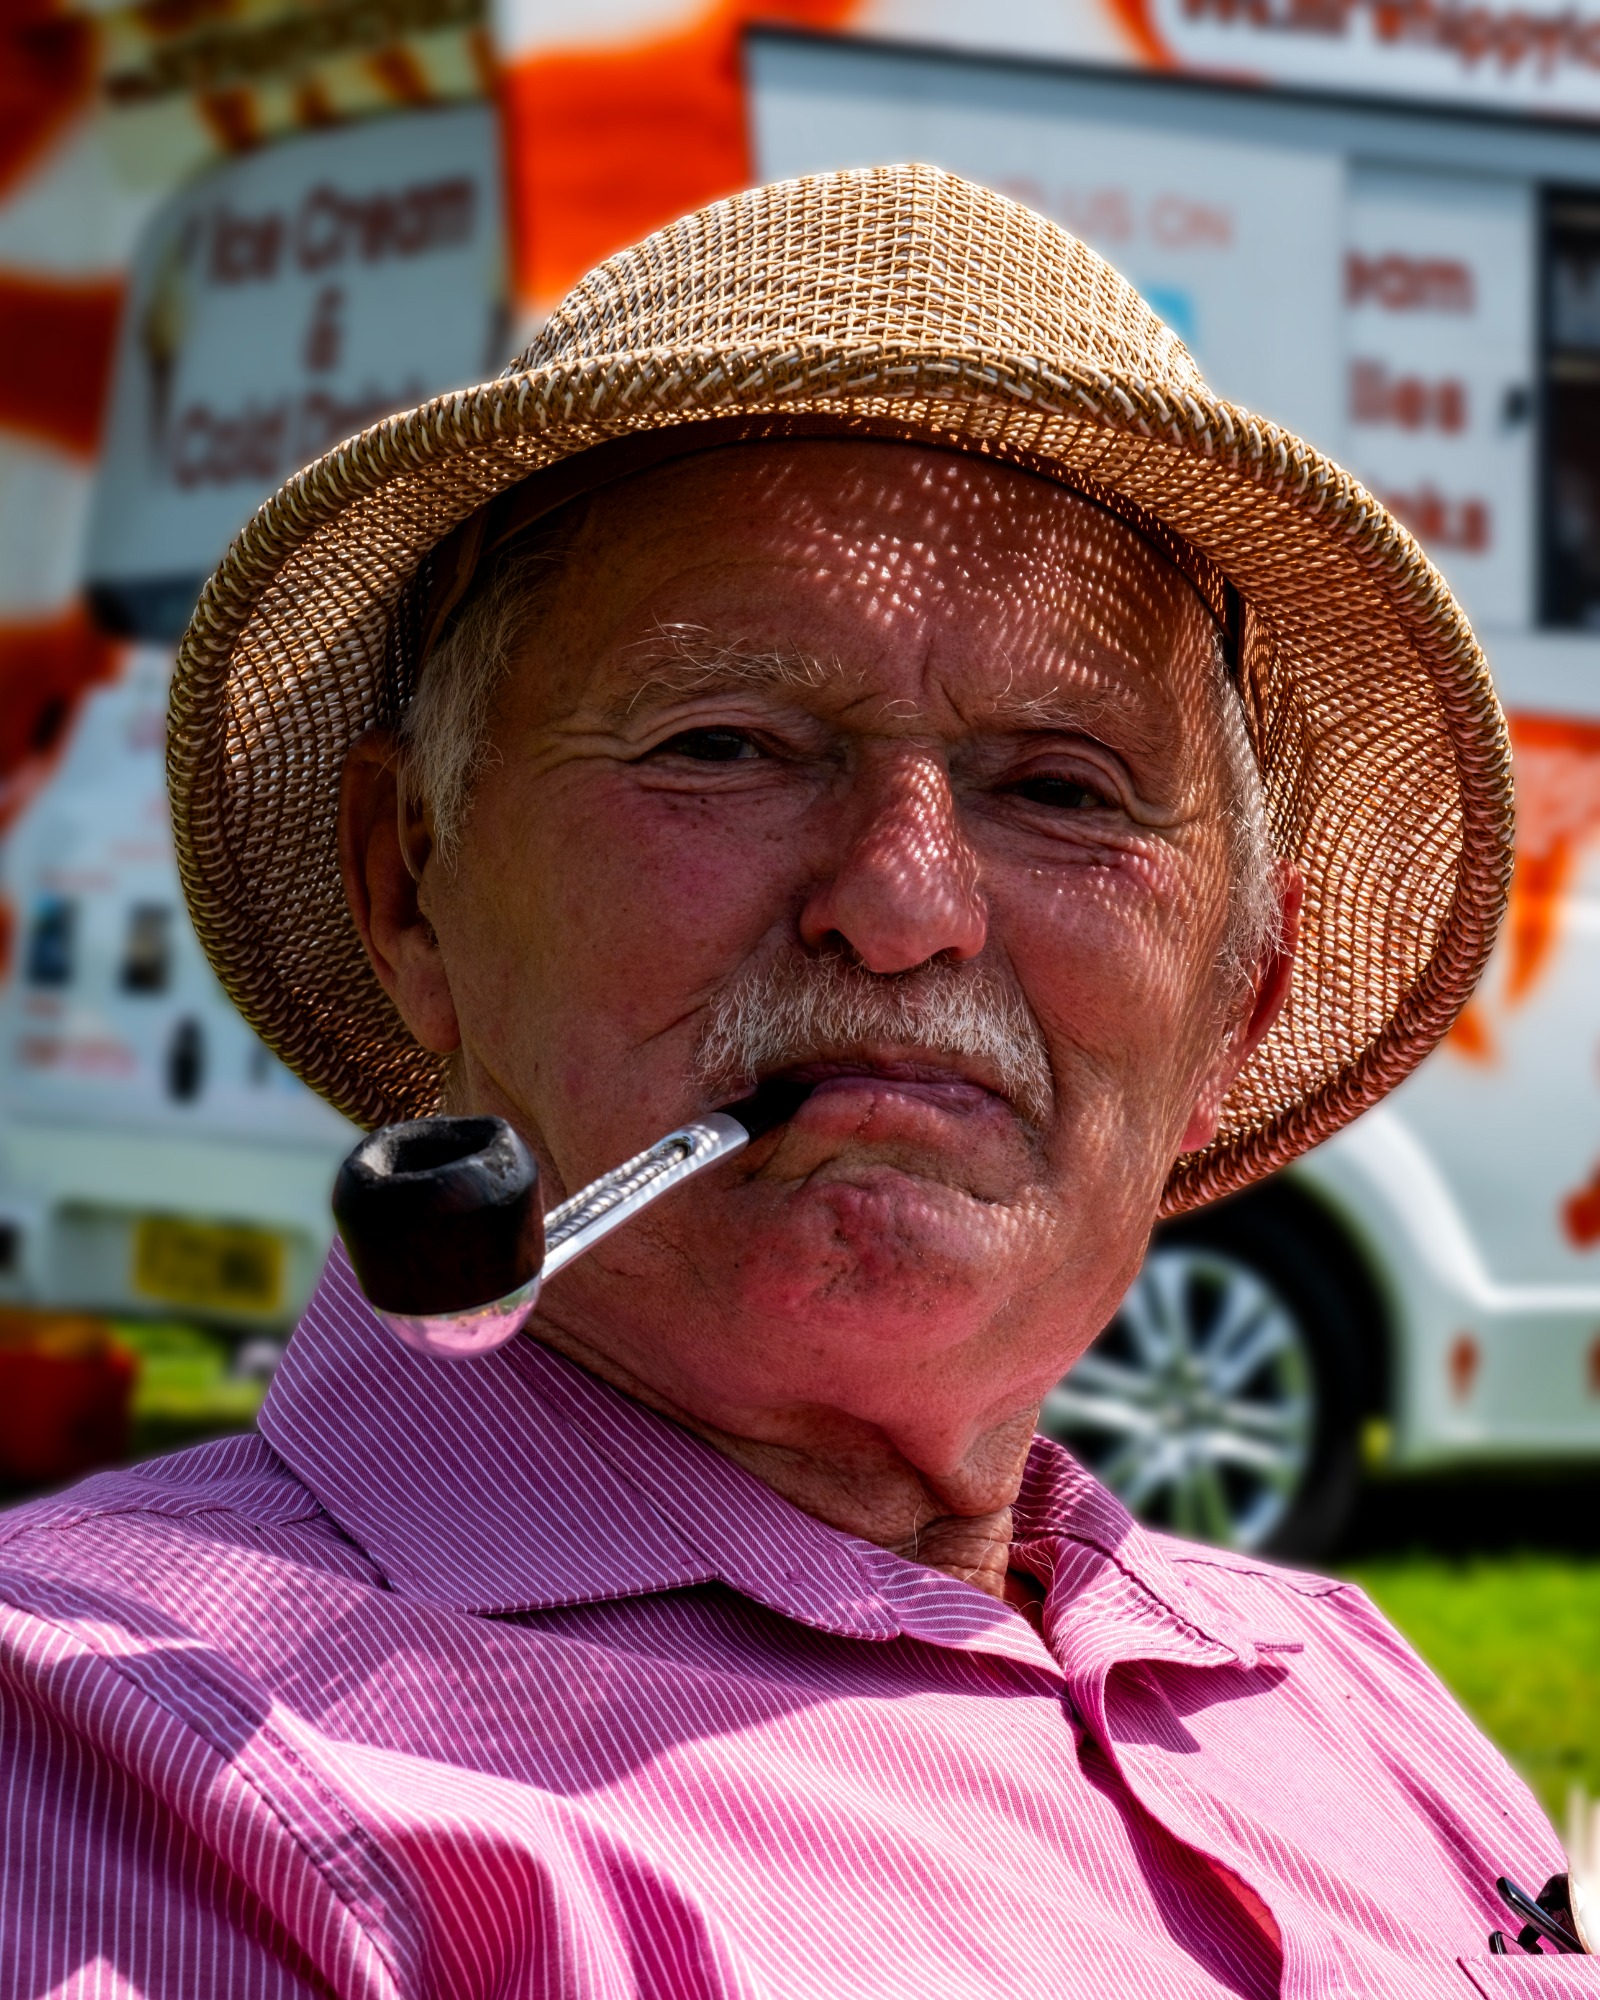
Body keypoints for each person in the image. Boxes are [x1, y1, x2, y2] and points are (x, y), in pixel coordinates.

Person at [0, 166, 1574, 1997]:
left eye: (1061, 788)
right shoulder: (116, 1740)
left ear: (1244, 998)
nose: (903, 906)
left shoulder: (1347, 1688)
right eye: (726, 745)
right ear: (407, 881)